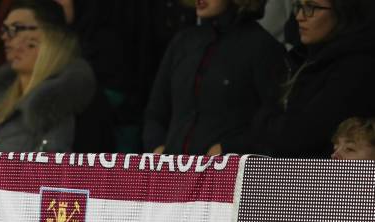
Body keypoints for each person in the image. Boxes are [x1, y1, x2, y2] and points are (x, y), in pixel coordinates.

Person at [143, 0, 287, 156]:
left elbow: (276, 122)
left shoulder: (262, 47)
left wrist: (229, 148)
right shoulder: (182, 42)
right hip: (174, 172)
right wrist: (157, 148)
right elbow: (156, 111)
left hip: (227, 173)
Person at [0, 0, 97, 152]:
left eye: (17, 28)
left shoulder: (71, 102)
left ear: (51, 36)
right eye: (4, 29)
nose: (5, 37)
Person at [255, 0, 375, 158]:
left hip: (323, 178)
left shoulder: (357, 68)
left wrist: (269, 124)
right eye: (299, 7)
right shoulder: (300, 58)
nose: (299, 17)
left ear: (343, 13)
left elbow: (296, 137)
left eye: (312, 8)